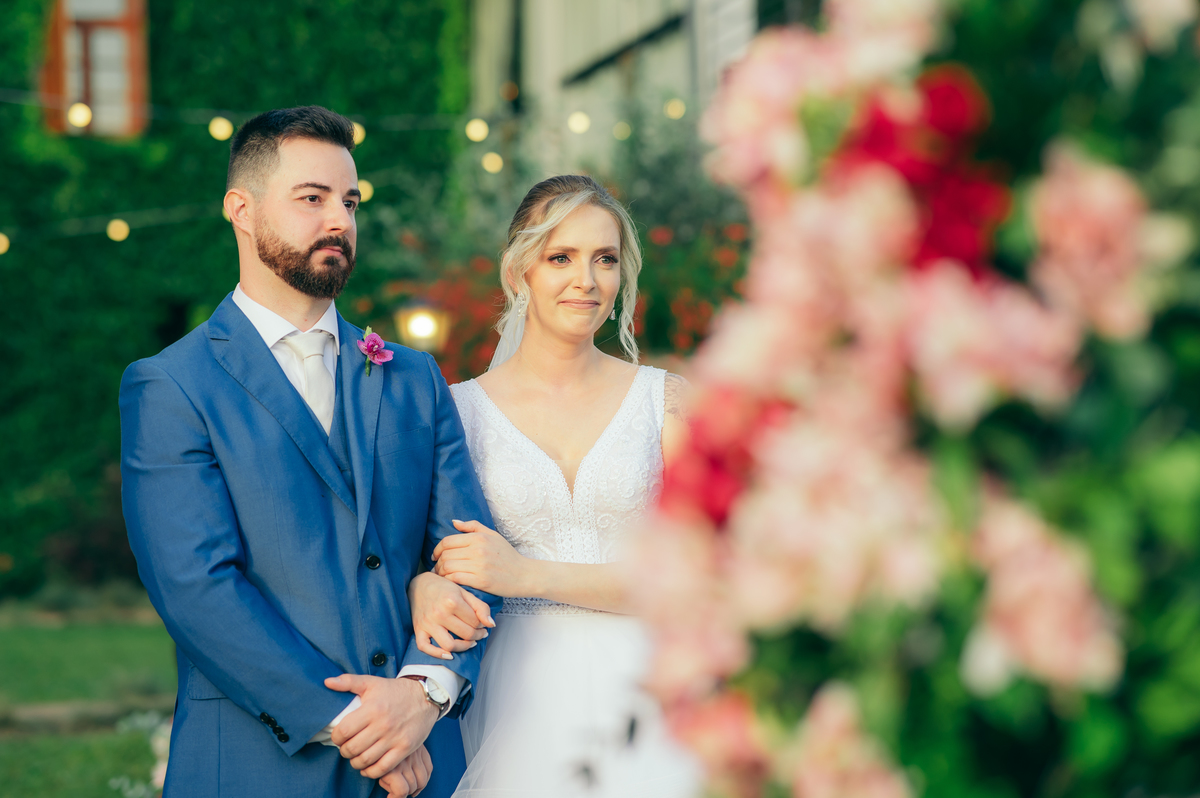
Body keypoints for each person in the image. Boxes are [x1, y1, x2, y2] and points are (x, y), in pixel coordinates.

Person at [119, 106, 499, 798]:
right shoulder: (171, 385)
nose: (339, 222)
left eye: (349, 202)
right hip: (255, 764)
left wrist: (422, 693)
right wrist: (362, 725)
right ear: (241, 209)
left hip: (421, 765)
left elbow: (470, 551)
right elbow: (196, 587)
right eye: (313, 198)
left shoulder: (413, 378)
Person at [406, 175, 702, 797]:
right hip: (516, 700)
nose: (586, 281)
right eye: (560, 257)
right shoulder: (453, 414)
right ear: (519, 272)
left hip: (650, 697)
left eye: (605, 259)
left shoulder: (667, 404)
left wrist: (524, 575)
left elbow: (696, 578)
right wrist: (422, 585)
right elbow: (407, 549)